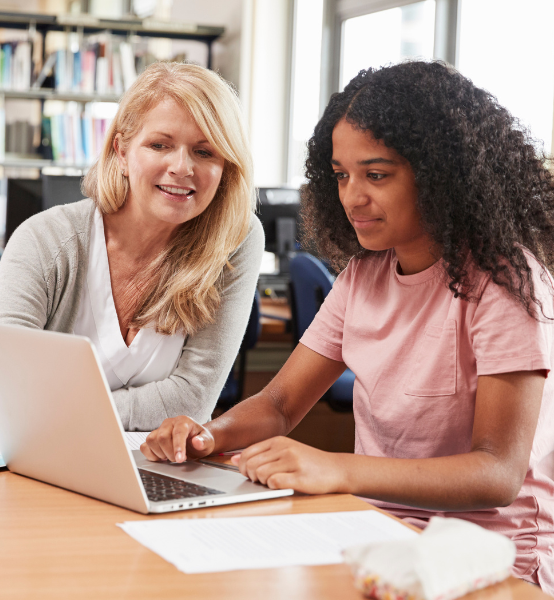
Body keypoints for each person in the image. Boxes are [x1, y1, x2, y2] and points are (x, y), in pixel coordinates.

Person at [140, 61, 554, 591]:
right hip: (377, 535)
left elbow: (497, 473)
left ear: (440, 174)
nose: (352, 197)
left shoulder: (502, 284)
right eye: (341, 175)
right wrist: (208, 435)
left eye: (376, 175)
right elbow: (280, 405)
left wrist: (339, 468)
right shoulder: (363, 276)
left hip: (487, 557)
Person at [0, 62, 263, 431]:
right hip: (40, 459)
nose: (182, 167)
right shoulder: (43, 241)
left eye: (205, 151)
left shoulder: (234, 239)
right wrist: (11, 402)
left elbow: (191, 401)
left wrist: (40, 406)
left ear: (226, 165)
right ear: (121, 151)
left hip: (159, 470)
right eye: (160, 145)